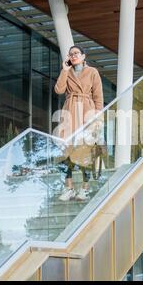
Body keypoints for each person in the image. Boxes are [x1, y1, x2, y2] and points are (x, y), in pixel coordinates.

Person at [54, 45, 104, 201]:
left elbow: (98, 97)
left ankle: (85, 188)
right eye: (71, 54)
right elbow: (59, 90)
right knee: (66, 151)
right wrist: (64, 70)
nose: (73, 56)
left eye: (76, 53)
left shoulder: (92, 72)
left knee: (85, 151)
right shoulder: (67, 72)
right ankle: (68, 187)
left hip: (86, 111)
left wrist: (98, 118)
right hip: (69, 112)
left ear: (83, 56)